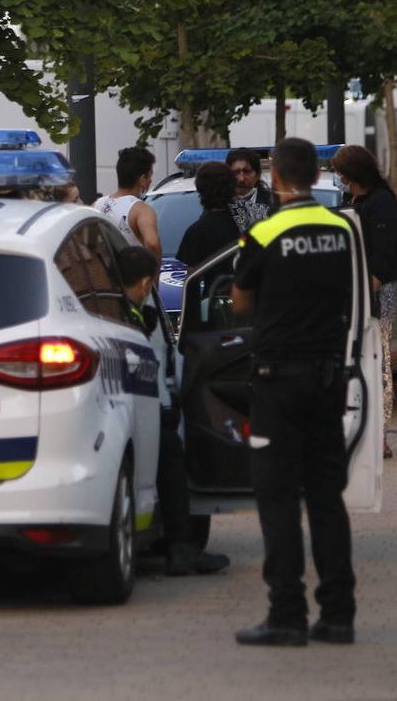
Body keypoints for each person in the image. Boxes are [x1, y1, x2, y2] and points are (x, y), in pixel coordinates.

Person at [229, 138, 358, 647]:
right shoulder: (341, 228)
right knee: (327, 497)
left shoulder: (263, 232)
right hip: (328, 376)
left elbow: (240, 302)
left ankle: (287, 614)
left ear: (276, 178)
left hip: (277, 380)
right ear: (316, 177)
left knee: (278, 497)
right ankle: (339, 615)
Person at [116, 246, 229, 577]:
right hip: (138, 409)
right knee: (172, 456)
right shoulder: (131, 314)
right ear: (145, 283)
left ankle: (179, 545)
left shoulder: (117, 307)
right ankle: (182, 548)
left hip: (127, 409)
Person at [334, 145, 397, 459]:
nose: (338, 176)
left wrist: (368, 290)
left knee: (378, 361)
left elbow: (384, 253)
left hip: (374, 292)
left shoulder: (380, 201)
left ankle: (380, 435)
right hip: (353, 292)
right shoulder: (350, 200)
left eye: (340, 170)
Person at [93, 147, 163, 259]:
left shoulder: (96, 205)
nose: (151, 180)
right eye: (150, 175)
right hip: (132, 269)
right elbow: (152, 243)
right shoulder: (141, 210)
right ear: (142, 179)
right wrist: (155, 268)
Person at [177, 162, 243, 275]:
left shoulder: (195, 232)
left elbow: (192, 278)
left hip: (213, 287)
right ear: (232, 187)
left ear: (200, 190)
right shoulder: (248, 223)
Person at [225, 148, 274, 235]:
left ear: (257, 175)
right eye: (236, 172)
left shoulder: (273, 203)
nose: (241, 179)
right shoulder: (220, 204)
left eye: (247, 171)